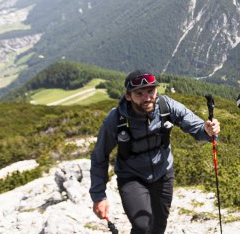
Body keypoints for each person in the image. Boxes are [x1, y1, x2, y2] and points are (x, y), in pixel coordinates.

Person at [90, 70, 220, 234]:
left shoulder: (167, 106)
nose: (147, 98)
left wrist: (208, 131)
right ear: (128, 96)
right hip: (131, 177)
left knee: (158, 227)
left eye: (150, 91)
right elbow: (99, 157)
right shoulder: (116, 119)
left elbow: (197, 127)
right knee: (142, 226)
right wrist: (99, 196)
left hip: (163, 174)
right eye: (139, 93)